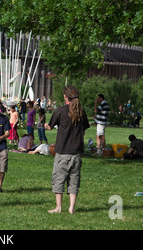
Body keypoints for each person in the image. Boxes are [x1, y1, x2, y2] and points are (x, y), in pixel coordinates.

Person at [45, 85, 90, 214]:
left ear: (65, 96)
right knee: (74, 180)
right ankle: (71, 208)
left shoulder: (60, 111)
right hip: (76, 153)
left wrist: (45, 125)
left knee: (59, 179)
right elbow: (83, 131)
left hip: (63, 152)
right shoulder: (81, 112)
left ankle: (58, 207)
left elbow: (50, 126)